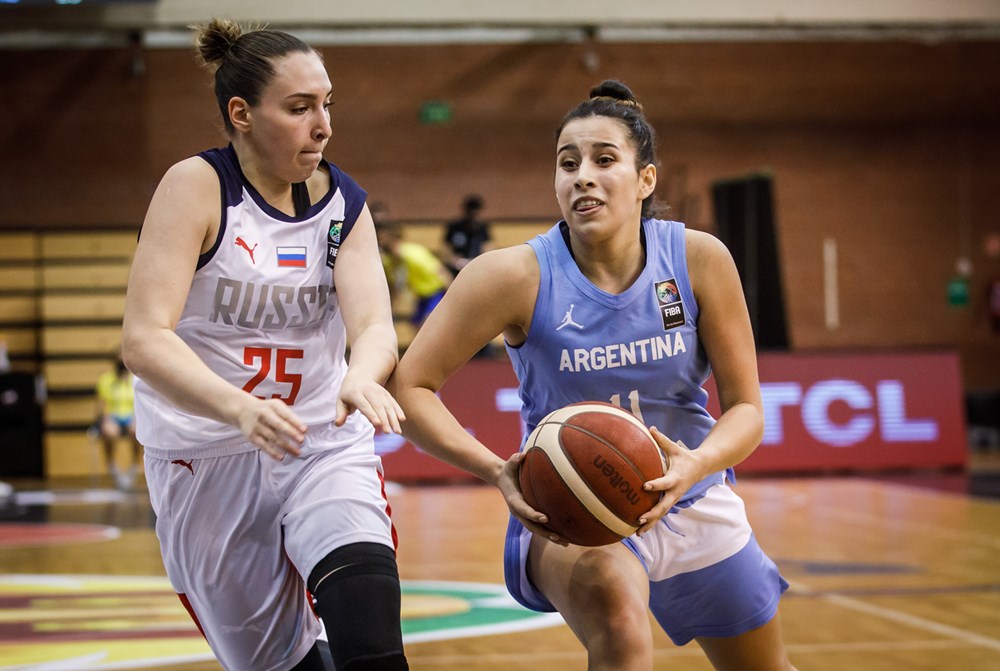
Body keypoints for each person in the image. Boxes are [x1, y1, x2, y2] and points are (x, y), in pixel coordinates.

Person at [393, 80, 796, 670]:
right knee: (622, 627)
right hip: (571, 507)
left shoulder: (699, 259)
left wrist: (695, 465)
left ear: (646, 180)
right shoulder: (511, 275)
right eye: (567, 163)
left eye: (605, 160)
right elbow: (408, 386)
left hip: (690, 493)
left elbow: (747, 411)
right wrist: (494, 470)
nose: (582, 176)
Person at [121, 18, 408, 671]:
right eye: (300, 107)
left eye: (327, 103)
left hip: (320, 441)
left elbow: (373, 325)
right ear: (242, 114)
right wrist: (239, 407)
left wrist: (364, 373)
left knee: (372, 640)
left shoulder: (344, 203)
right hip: (206, 455)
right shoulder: (196, 187)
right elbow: (143, 338)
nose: (324, 124)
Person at [373, 208, 451, 327]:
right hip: (422, 296)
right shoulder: (389, 263)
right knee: (416, 325)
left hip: (437, 292)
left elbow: (442, 273)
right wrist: (389, 311)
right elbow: (393, 288)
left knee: (428, 323)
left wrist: (453, 300)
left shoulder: (413, 254)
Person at [94, 355, 142, 489]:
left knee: (135, 430)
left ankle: (134, 465)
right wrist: (102, 419)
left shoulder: (134, 379)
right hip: (113, 414)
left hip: (130, 415)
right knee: (110, 432)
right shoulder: (106, 379)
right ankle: (112, 465)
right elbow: (101, 403)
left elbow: (139, 402)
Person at [440, 194, 493, 277]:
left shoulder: (482, 227)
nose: (473, 214)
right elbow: (445, 247)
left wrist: (481, 259)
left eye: (475, 210)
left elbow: (489, 246)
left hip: (477, 265)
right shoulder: (454, 226)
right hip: (456, 267)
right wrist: (453, 259)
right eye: (470, 210)